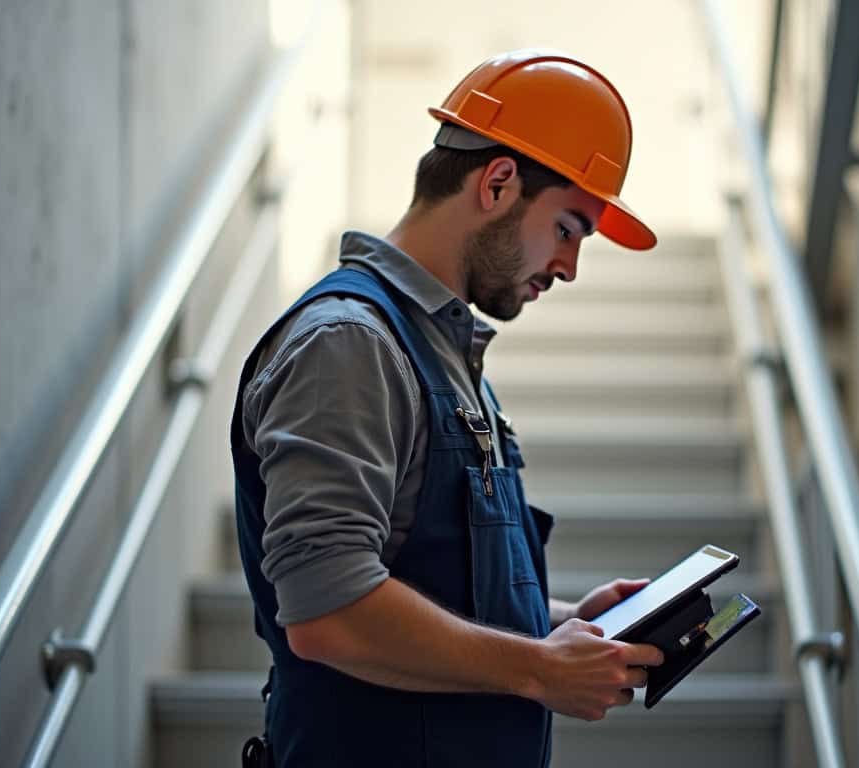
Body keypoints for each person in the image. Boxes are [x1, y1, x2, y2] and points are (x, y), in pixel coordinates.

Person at [230, 49, 663, 768]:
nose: (569, 267)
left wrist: (560, 627)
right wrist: (537, 668)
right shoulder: (350, 345)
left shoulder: (442, 355)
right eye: (567, 229)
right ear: (497, 183)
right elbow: (328, 610)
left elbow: (428, 580)